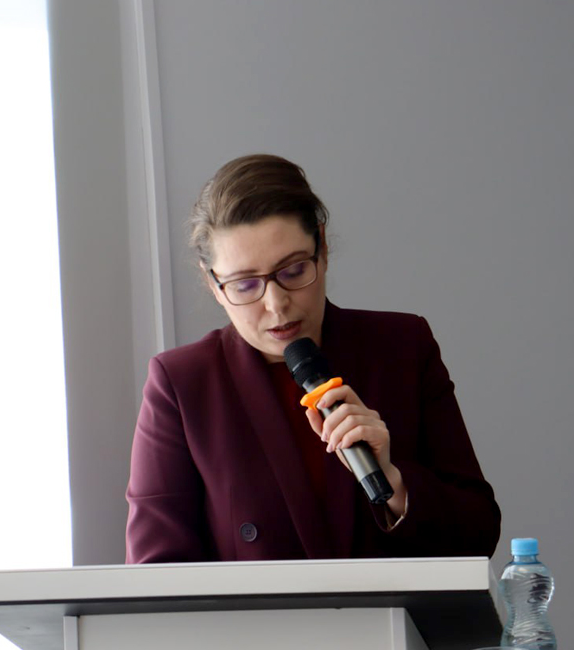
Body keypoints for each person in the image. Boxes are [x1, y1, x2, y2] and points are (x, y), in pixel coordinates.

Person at [125, 154, 501, 563]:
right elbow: (155, 571)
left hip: (392, 607)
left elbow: (479, 533)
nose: (276, 304)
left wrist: (394, 482)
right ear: (213, 283)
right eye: (245, 284)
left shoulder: (402, 347)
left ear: (322, 248)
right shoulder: (182, 382)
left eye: (292, 270)